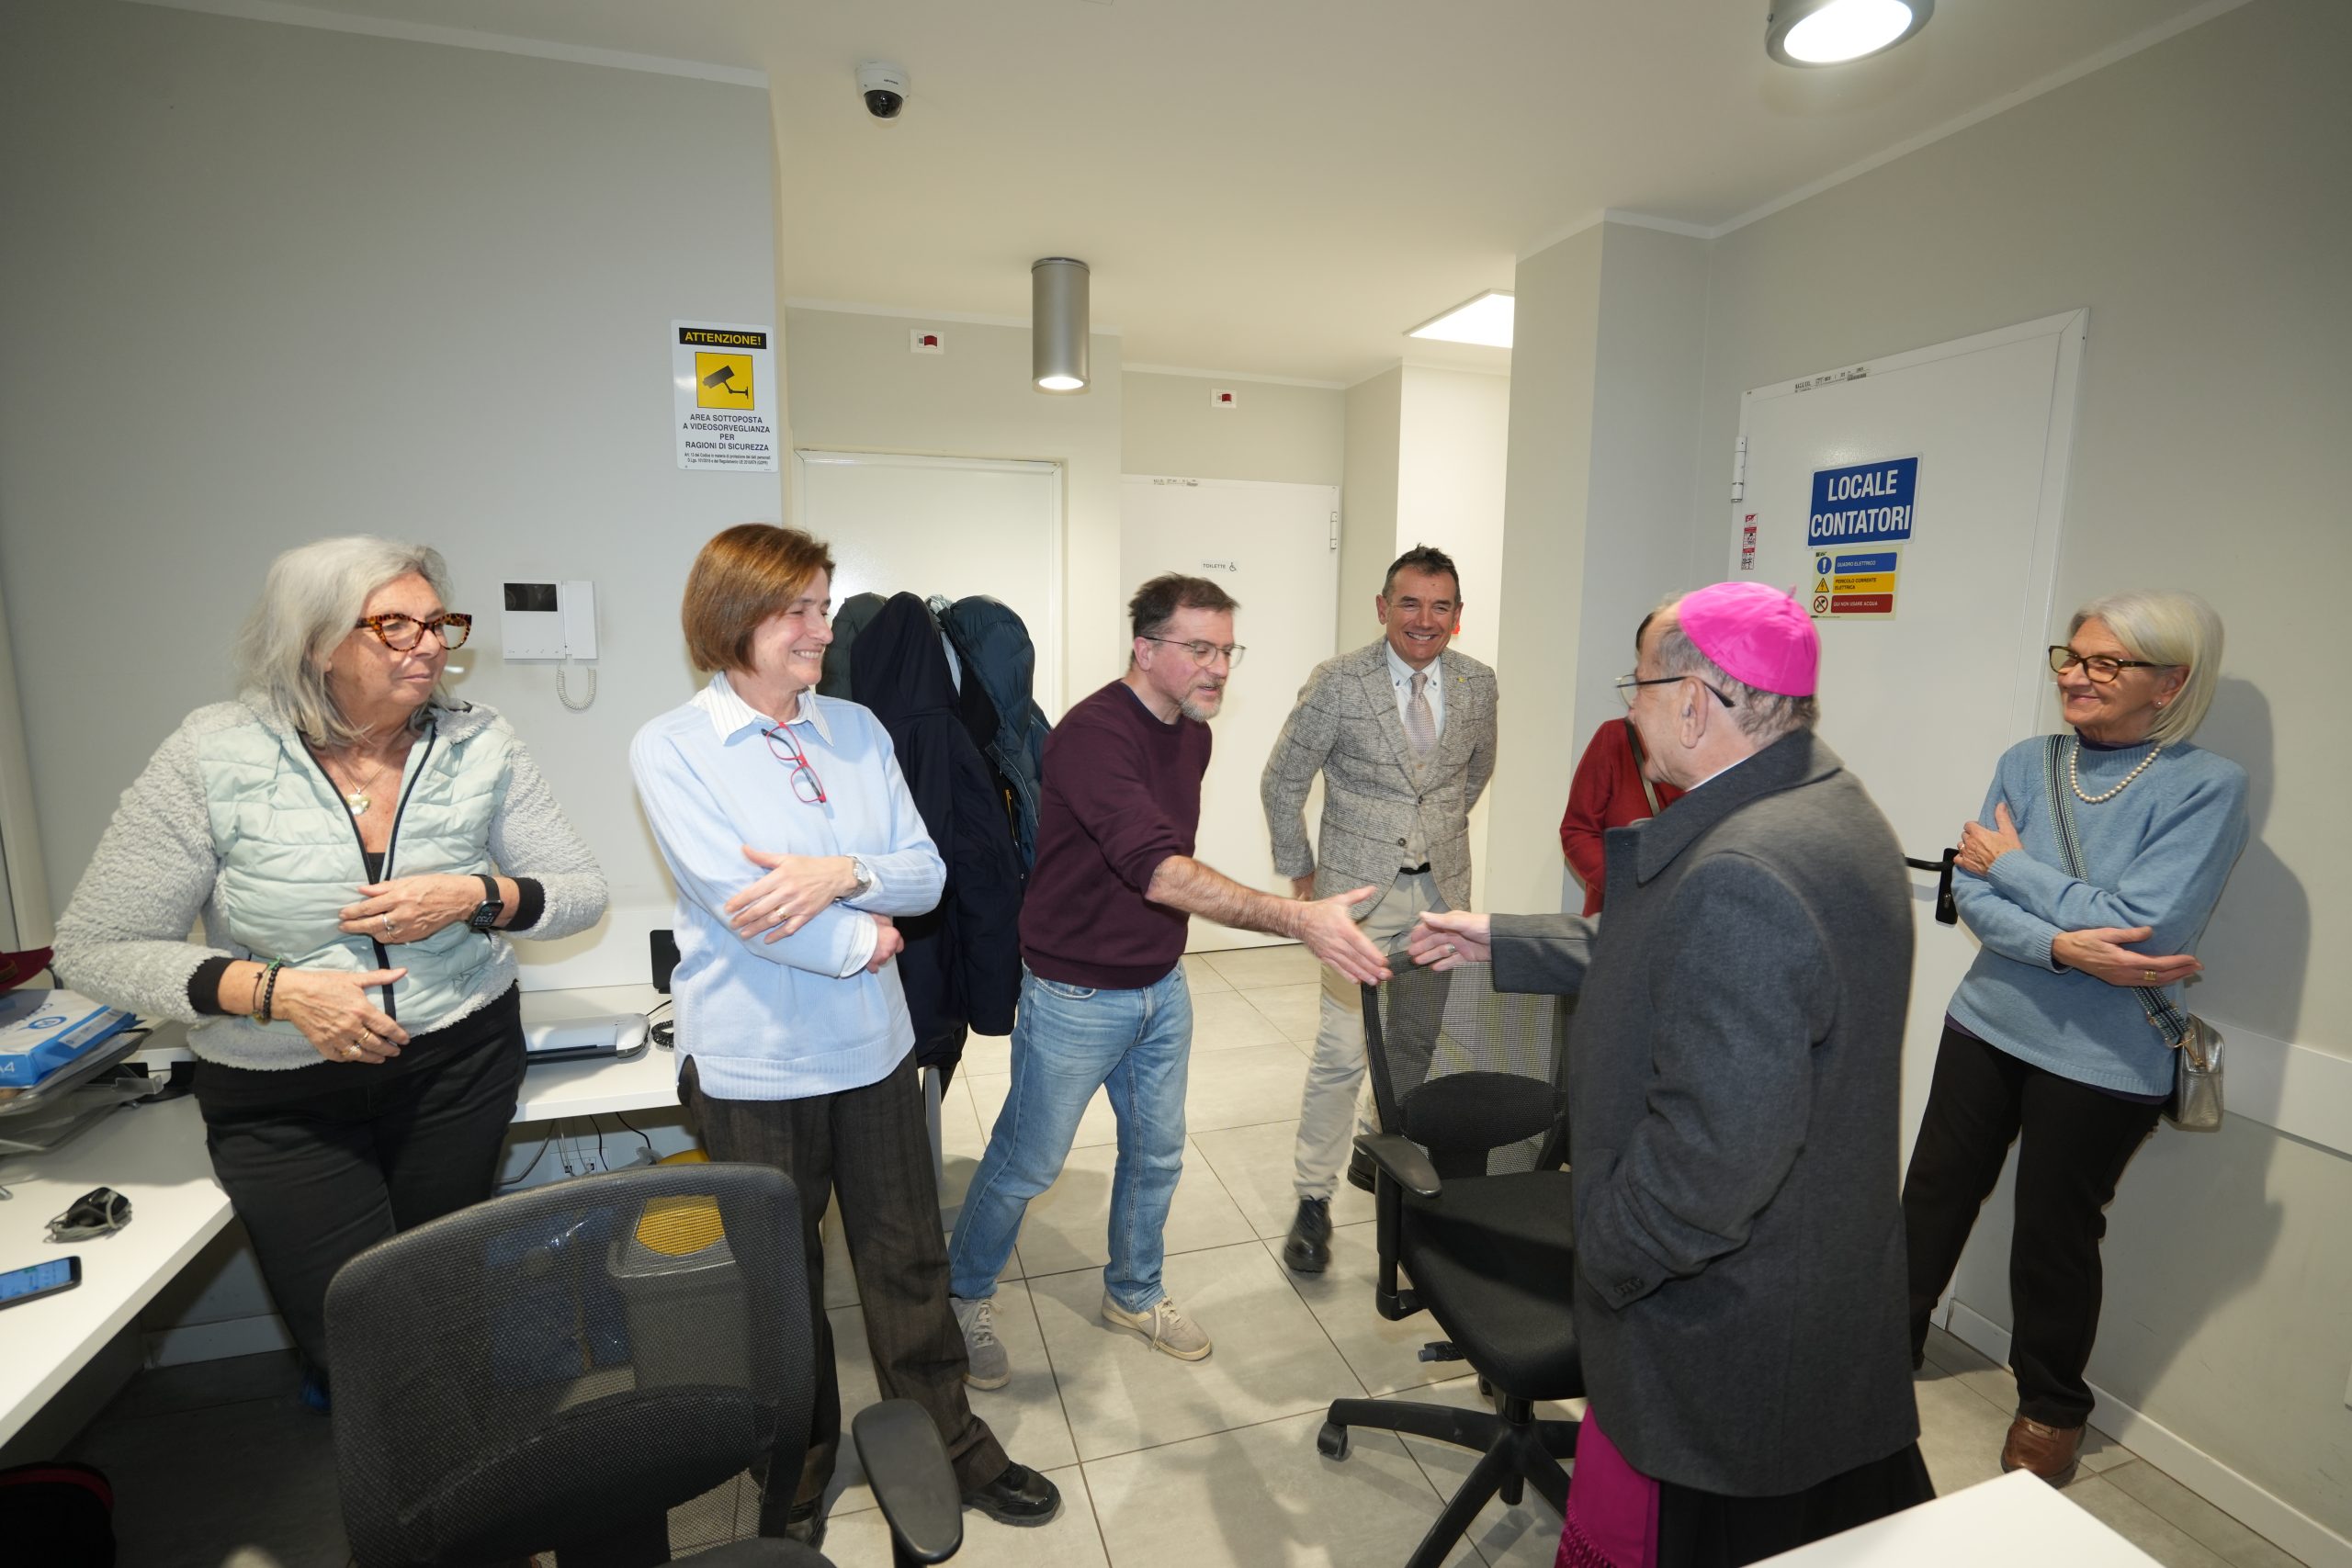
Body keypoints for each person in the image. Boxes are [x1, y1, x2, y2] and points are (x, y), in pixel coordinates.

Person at [1410, 582, 1931, 1568]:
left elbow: (1711, 1161)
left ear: (1693, 702)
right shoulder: (1822, 805)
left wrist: (1608, 1257)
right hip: (1813, 1278)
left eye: (1638, 687)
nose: (1629, 710)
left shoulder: (1741, 871)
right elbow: (1677, 950)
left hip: (1723, 1312)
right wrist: (1507, 938)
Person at [52, 537, 606, 1404]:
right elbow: (95, 945)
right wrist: (276, 991)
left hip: (455, 1067)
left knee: (453, 1308)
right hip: (285, 1096)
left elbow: (579, 891)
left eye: (439, 623)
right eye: (396, 626)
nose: (430, 645)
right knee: (360, 1340)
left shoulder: (479, 740)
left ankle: (467, 1477)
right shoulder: (213, 754)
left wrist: (475, 895)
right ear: (316, 642)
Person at [629, 525, 1059, 1543]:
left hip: (873, 1047)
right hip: (753, 1062)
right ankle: (796, 1472)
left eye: (823, 607)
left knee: (907, 1260)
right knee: (781, 1292)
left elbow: (926, 872)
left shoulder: (859, 729)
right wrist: (866, 937)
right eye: (799, 611)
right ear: (732, 617)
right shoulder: (673, 745)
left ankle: (952, 1442)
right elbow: (742, 902)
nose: (822, 629)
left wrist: (839, 875)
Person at [946, 574, 1388, 1379]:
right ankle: (963, 1292)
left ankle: (1134, 1290)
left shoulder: (1191, 734)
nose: (1218, 667)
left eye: (1227, 650)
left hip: (1160, 984)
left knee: (1156, 1156)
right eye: (1200, 648)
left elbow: (1161, 865)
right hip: (1076, 993)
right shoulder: (1091, 735)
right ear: (1145, 649)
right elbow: (1156, 869)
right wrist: (1298, 918)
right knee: (1026, 1162)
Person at [1902, 591, 2246, 1487]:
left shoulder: (2207, 786)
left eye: (2104, 663)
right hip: (1987, 1019)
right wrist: (2061, 945)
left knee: (2055, 1233)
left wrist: (2014, 867)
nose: (2075, 676)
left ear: (2169, 683)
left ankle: (2051, 1406)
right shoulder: (2027, 761)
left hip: (2105, 1055)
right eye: (2071, 656)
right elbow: (1971, 893)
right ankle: (1880, 1345)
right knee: (1933, 1192)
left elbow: (2147, 924)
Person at [1259, 544, 1498, 1272]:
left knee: (1415, 1044)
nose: (1425, 619)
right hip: (1356, 899)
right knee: (1340, 1051)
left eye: (1440, 606)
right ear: (1383, 607)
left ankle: (1382, 1146)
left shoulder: (1478, 683)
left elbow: (1472, 775)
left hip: (1441, 895)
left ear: (1458, 615)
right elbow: (1282, 780)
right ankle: (1313, 1197)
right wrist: (1302, 869)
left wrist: (1434, 837)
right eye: (1410, 603)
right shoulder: (1339, 681)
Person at [1559, 610, 1685, 916]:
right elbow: (1577, 830)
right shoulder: (1616, 738)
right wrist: (1625, 884)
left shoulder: (1715, 746)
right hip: (1617, 913)